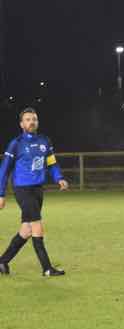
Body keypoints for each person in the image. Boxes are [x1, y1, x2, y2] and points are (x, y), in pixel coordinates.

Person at [0, 107, 69, 277]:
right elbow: (4, 170)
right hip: (23, 190)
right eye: (28, 119)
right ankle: (47, 268)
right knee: (37, 226)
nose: (32, 122)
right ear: (21, 124)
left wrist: (59, 178)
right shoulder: (16, 144)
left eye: (34, 119)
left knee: (26, 230)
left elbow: (51, 163)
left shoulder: (45, 141)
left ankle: (2, 261)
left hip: (38, 189)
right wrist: (1, 194)